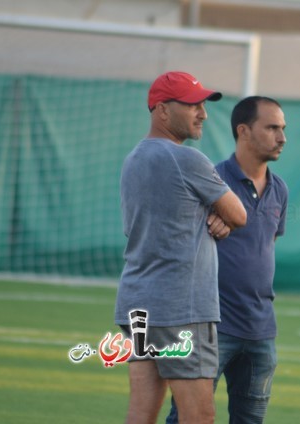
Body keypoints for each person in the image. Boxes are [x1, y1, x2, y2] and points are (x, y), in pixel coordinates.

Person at [115, 71, 247, 424]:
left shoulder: (133, 159)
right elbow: (239, 213)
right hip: (180, 309)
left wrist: (217, 215)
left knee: (140, 413)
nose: (202, 112)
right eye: (192, 104)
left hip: (138, 304)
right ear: (161, 110)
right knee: (199, 415)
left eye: (202, 104)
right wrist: (223, 216)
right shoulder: (188, 159)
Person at [166, 96, 288, 424]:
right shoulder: (210, 179)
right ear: (244, 131)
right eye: (272, 127)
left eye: (283, 129)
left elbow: (263, 248)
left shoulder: (280, 190)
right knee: (186, 418)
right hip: (209, 326)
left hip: (261, 330)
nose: (282, 137)